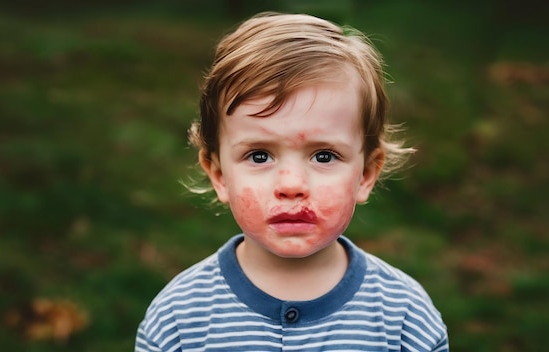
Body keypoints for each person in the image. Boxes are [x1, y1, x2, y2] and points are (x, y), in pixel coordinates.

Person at [136, 12, 448, 352]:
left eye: (324, 156)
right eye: (259, 156)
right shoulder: (179, 319)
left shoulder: (404, 317)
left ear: (366, 174)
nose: (291, 184)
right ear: (220, 175)